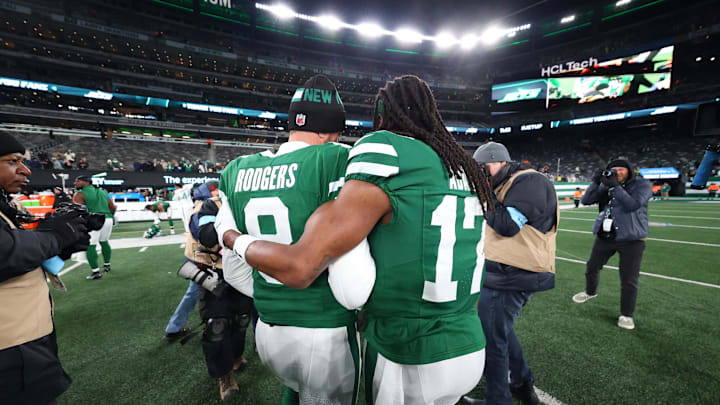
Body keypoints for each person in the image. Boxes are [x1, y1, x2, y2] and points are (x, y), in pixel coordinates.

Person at [220, 75, 494, 405]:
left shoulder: (237, 169)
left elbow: (238, 274)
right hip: (467, 340)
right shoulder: (461, 166)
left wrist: (232, 239)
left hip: (401, 348)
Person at [217, 75, 371, 404]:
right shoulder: (338, 159)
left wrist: (274, 291)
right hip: (324, 330)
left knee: (296, 390)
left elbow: (233, 271)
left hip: (269, 330)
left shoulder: (236, 170)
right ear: (331, 130)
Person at [0, 131, 90, 404]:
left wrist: (60, 244)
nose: (25, 170)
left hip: (22, 337)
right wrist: (54, 236)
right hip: (11, 347)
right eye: (13, 161)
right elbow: (5, 253)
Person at [464, 142, 557, 405]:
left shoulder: (530, 182)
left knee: (493, 338)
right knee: (498, 329)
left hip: (515, 273)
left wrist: (484, 192)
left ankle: (498, 400)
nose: (482, 174)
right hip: (505, 272)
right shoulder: (507, 183)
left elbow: (506, 226)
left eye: (485, 168)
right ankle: (521, 383)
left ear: (501, 162)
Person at [174, 180, 254, 400]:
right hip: (214, 273)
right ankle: (224, 375)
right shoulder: (212, 205)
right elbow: (207, 236)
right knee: (216, 325)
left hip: (243, 272)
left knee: (241, 319)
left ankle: (236, 356)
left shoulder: (252, 203)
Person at [573, 159, 652, 330]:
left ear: (629, 171)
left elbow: (633, 205)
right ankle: (590, 292)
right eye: (613, 169)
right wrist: (595, 183)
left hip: (632, 239)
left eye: (621, 169)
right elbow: (586, 201)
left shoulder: (642, 185)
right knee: (592, 267)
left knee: (629, 279)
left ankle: (626, 315)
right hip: (606, 235)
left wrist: (614, 186)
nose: (617, 172)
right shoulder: (606, 185)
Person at [73, 175, 116, 280]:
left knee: (90, 245)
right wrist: (109, 216)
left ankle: (95, 271)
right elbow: (113, 207)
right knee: (104, 241)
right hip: (107, 218)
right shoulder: (103, 192)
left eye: (77, 181)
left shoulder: (80, 194)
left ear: (85, 182)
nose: (75, 183)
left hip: (92, 220)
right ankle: (107, 265)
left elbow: (79, 210)